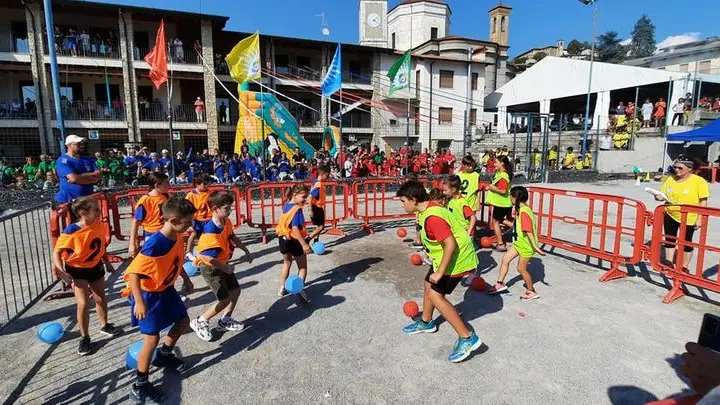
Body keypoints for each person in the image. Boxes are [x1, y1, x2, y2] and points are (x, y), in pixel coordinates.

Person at [397, 181, 482, 363]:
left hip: (457, 260)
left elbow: (450, 244)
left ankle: (467, 337)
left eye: (403, 201)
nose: (402, 205)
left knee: (436, 295)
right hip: (445, 257)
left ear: (414, 199)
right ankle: (426, 322)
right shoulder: (427, 209)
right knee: (428, 283)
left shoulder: (432, 218)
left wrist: (440, 272)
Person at [123, 197, 195, 403]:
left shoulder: (176, 235)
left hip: (165, 289)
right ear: (172, 220)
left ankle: (164, 355)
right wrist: (138, 301)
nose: (190, 226)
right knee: (151, 339)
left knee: (182, 321)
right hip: (147, 293)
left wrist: (186, 279)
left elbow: (175, 259)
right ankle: (140, 384)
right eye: (187, 222)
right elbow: (134, 273)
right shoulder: (155, 243)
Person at [52, 196, 120, 355]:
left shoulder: (100, 225)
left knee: (100, 297)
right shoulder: (71, 231)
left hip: (95, 267)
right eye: (95, 210)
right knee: (82, 304)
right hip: (77, 270)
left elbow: (100, 245)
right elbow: (56, 252)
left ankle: (104, 325)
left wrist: (107, 262)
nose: (99, 212)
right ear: (83, 212)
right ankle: (84, 337)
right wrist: (61, 271)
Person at [190, 191, 252, 341]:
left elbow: (232, 237)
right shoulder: (210, 231)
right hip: (211, 269)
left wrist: (245, 250)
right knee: (224, 299)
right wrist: (226, 268)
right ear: (215, 208)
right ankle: (200, 320)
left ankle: (225, 320)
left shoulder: (226, 221)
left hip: (223, 264)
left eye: (230, 207)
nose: (230, 210)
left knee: (236, 291)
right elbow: (208, 258)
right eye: (227, 208)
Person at [489, 186, 544, 300]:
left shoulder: (524, 212)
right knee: (505, 260)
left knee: (521, 269)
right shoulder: (521, 209)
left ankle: (531, 291)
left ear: (515, 198)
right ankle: (500, 284)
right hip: (518, 243)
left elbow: (528, 231)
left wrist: (535, 247)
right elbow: (517, 226)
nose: (509, 198)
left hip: (526, 246)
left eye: (511, 196)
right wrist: (503, 221)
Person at [657, 156, 709, 268]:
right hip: (670, 213)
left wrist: (700, 218)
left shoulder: (699, 181)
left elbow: (703, 201)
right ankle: (669, 262)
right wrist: (659, 197)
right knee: (669, 239)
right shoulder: (670, 179)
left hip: (689, 216)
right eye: (675, 167)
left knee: (686, 241)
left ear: (689, 169)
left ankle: (684, 266)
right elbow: (663, 194)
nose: (676, 170)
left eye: (680, 168)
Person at [275, 184, 313, 302]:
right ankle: (299, 289)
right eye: (304, 197)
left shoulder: (286, 206)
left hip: (283, 239)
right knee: (302, 267)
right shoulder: (297, 210)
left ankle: (282, 288)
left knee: (287, 263)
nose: (306, 199)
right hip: (295, 241)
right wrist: (304, 244)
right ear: (295, 195)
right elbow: (295, 228)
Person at [129, 173, 169, 258]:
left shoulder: (165, 197)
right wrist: (132, 244)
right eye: (166, 183)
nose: (169, 185)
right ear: (156, 185)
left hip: (165, 232)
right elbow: (135, 222)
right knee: (152, 259)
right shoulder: (145, 200)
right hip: (152, 235)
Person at [55, 135, 101, 204]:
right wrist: (91, 179)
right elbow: (73, 179)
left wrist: (79, 178)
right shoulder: (63, 160)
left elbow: (98, 176)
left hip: (86, 200)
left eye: (82, 144)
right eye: (78, 144)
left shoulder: (88, 159)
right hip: (68, 201)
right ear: (69, 145)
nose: (82, 146)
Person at [487, 156, 513, 252]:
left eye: (496, 162)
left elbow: (503, 190)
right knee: (499, 220)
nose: (494, 164)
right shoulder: (500, 174)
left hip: (501, 203)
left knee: (496, 222)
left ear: (502, 163)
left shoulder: (503, 176)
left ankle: (501, 244)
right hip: (502, 203)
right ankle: (513, 226)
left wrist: (491, 187)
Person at [185, 174, 212, 254]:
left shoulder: (210, 193)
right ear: (197, 184)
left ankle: (207, 255)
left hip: (209, 220)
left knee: (208, 238)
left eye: (207, 183)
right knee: (193, 235)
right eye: (204, 184)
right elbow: (186, 208)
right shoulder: (191, 195)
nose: (207, 185)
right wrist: (189, 222)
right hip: (197, 220)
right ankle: (188, 252)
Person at [308, 165, 328, 244]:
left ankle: (316, 240)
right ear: (322, 174)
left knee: (318, 226)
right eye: (327, 175)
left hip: (317, 207)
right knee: (321, 227)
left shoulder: (315, 181)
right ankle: (307, 239)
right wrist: (311, 210)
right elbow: (310, 196)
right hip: (316, 207)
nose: (327, 177)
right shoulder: (318, 184)